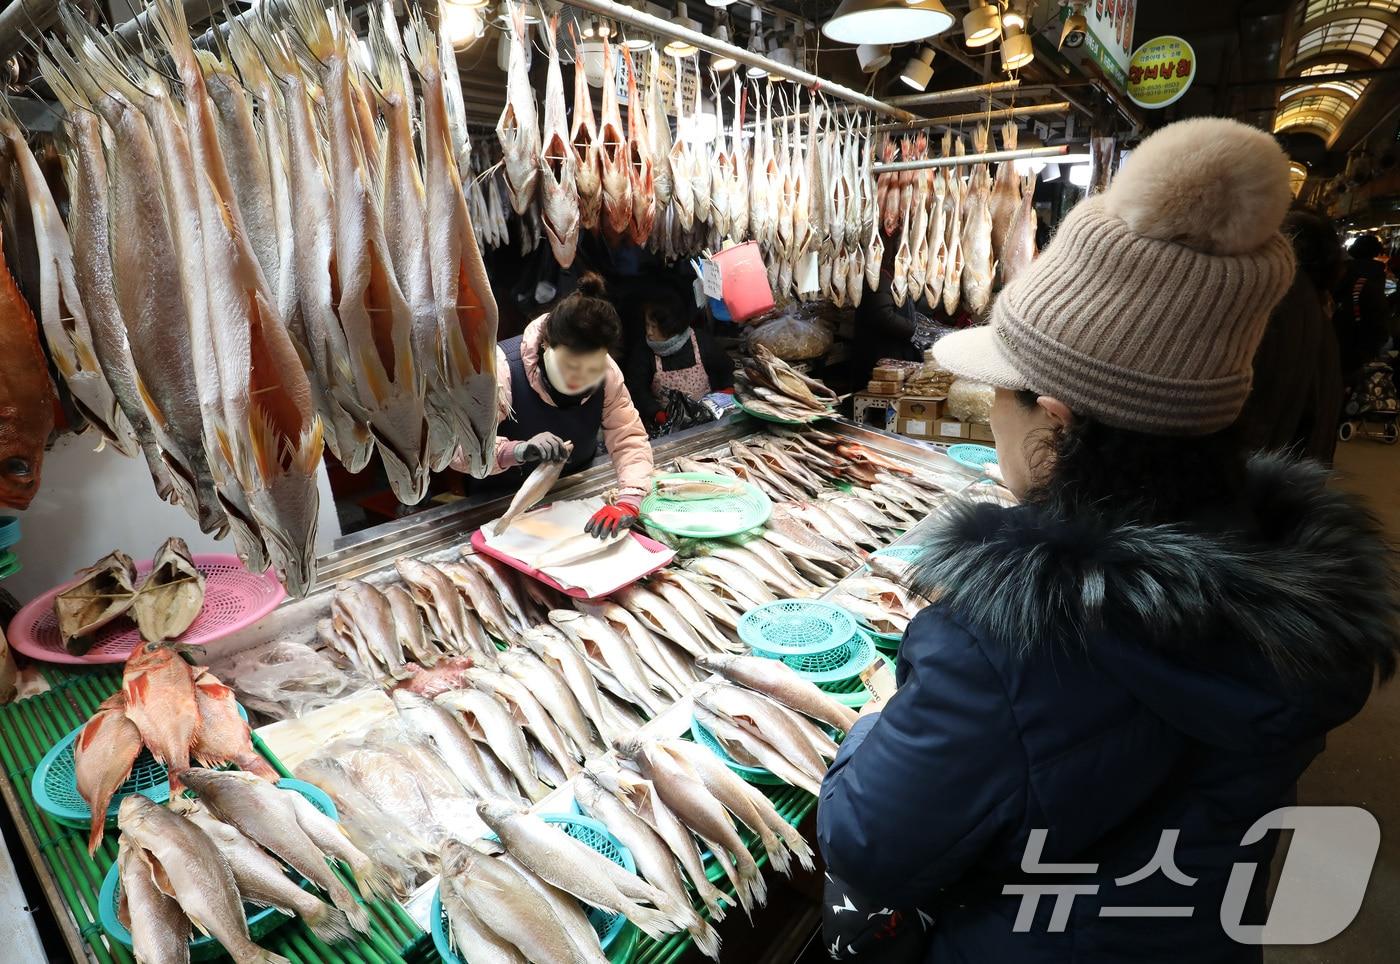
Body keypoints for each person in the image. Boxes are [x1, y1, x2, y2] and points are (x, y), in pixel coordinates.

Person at [818, 118, 1400, 963]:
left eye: (997, 400)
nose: (993, 418)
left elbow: (869, 842)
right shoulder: (1292, 582)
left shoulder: (1007, 644)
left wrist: (872, 725)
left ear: (1053, 421)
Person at [456, 273, 653, 538]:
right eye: (571, 366)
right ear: (547, 344)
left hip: (573, 502)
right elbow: (458, 448)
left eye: (591, 368)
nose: (581, 378)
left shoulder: (608, 373)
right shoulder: (500, 370)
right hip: (498, 508)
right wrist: (517, 451)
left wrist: (631, 498)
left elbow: (628, 437)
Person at [1235, 208, 1344, 464]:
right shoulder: (1313, 305)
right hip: (1296, 469)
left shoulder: (1281, 302)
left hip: (1265, 469)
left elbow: (1263, 404)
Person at [623, 284, 733, 429]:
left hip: (708, 420)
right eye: (647, 325)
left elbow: (726, 370)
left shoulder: (701, 341)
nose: (649, 332)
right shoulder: (643, 351)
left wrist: (725, 392)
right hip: (666, 425)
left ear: (671, 325)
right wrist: (657, 413)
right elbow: (637, 390)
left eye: (654, 327)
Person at [1334, 233, 1391, 380]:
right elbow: (1380, 324)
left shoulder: (1341, 272)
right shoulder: (1374, 277)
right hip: (1360, 350)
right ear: (1376, 251)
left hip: (1336, 341)